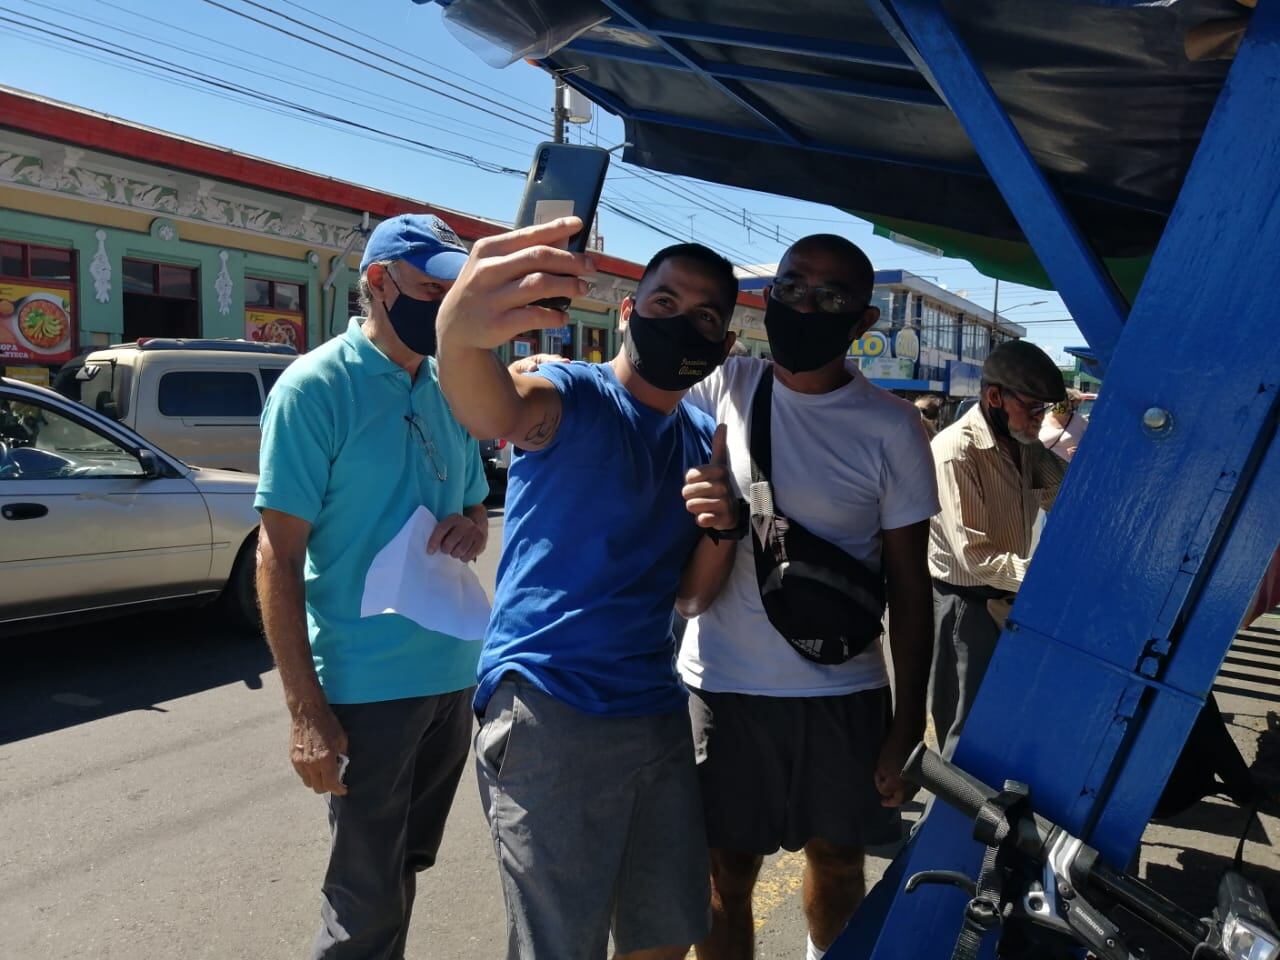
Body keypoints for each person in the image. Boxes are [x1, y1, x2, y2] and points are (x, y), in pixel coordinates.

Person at [434, 218, 742, 960]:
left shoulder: (703, 439)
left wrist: (724, 526)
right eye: (664, 304)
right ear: (630, 313)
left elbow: (692, 599)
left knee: (665, 934)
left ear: (725, 344)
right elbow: (494, 409)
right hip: (550, 707)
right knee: (560, 947)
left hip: (653, 711)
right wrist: (459, 332)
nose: (683, 324)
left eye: (705, 317)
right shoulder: (573, 394)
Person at [675, 234, 940, 960]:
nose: (804, 306)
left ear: (863, 321)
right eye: (791, 288)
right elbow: (627, 388)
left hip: (843, 690)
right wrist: (552, 368)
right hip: (723, 686)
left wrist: (906, 722)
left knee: (840, 861)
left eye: (830, 297)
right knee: (724, 872)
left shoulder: (892, 427)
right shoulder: (722, 386)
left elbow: (911, 589)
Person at [254, 213, 491, 959]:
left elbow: (476, 497)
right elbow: (277, 557)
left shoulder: (450, 384)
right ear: (378, 285)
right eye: (429, 290)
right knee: (363, 900)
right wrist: (305, 712)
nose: (443, 308)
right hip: (367, 688)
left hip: (450, 673)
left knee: (403, 870)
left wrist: (474, 524)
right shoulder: (316, 388)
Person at [927, 340, 1067, 758]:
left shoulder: (1024, 446)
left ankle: (982, 816)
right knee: (965, 733)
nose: (1039, 421)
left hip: (1008, 599)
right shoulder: (958, 452)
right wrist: (1049, 581)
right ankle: (943, 822)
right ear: (994, 397)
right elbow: (976, 557)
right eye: (1033, 409)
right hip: (965, 606)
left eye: (1045, 411)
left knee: (1003, 723)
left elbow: (1067, 500)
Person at [1039, 387, 1089, 461]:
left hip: (1069, 469)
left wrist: (1082, 451)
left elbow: (1093, 446)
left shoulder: (1081, 422)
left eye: (1074, 408)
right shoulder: (1041, 420)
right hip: (1047, 469)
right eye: (1066, 405)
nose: (1070, 409)